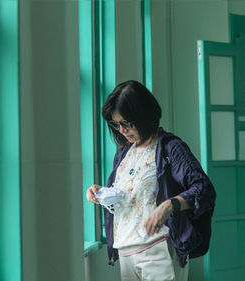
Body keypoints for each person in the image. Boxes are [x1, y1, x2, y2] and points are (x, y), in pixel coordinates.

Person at [86, 80, 216, 281]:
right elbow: (132, 196)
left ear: (144, 115)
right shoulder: (123, 154)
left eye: (126, 123)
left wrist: (169, 205)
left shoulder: (170, 148)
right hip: (126, 251)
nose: (121, 130)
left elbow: (203, 188)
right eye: (115, 124)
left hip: (159, 250)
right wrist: (100, 192)